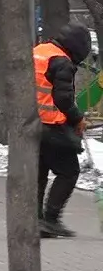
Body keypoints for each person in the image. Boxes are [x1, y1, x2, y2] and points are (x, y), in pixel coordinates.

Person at [34, 23, 91, 238]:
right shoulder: (62, 62)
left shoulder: (39, 51)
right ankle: (51, 219)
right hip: (52, 125)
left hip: (31, 124)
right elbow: (63, 98)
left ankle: (36, 220)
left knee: (38, 175)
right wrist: (77, 118)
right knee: (68, 172)